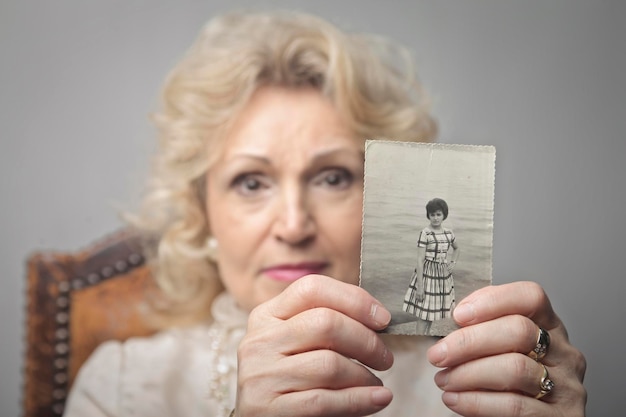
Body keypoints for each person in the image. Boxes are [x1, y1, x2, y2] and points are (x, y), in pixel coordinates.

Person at [63, 10, 587, 417]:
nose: (293, 226)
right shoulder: (123, 386)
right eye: (251, 182)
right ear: (203, 216)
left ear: (387, 197)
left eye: (332, 177)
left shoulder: (480, 381)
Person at [403, 198, 460, 335]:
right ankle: (419, 341)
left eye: (438, 214)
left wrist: (453, 263)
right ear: (428, 215)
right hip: (427, 275)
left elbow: (457, 249)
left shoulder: (449, 233)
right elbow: (420, 260)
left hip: (442, 276)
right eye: (432, 214)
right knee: (424, 314)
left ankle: (425, 339)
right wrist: (420, 287)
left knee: (432, 313)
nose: (435, 218)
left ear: (444, 215)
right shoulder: (425, 233)